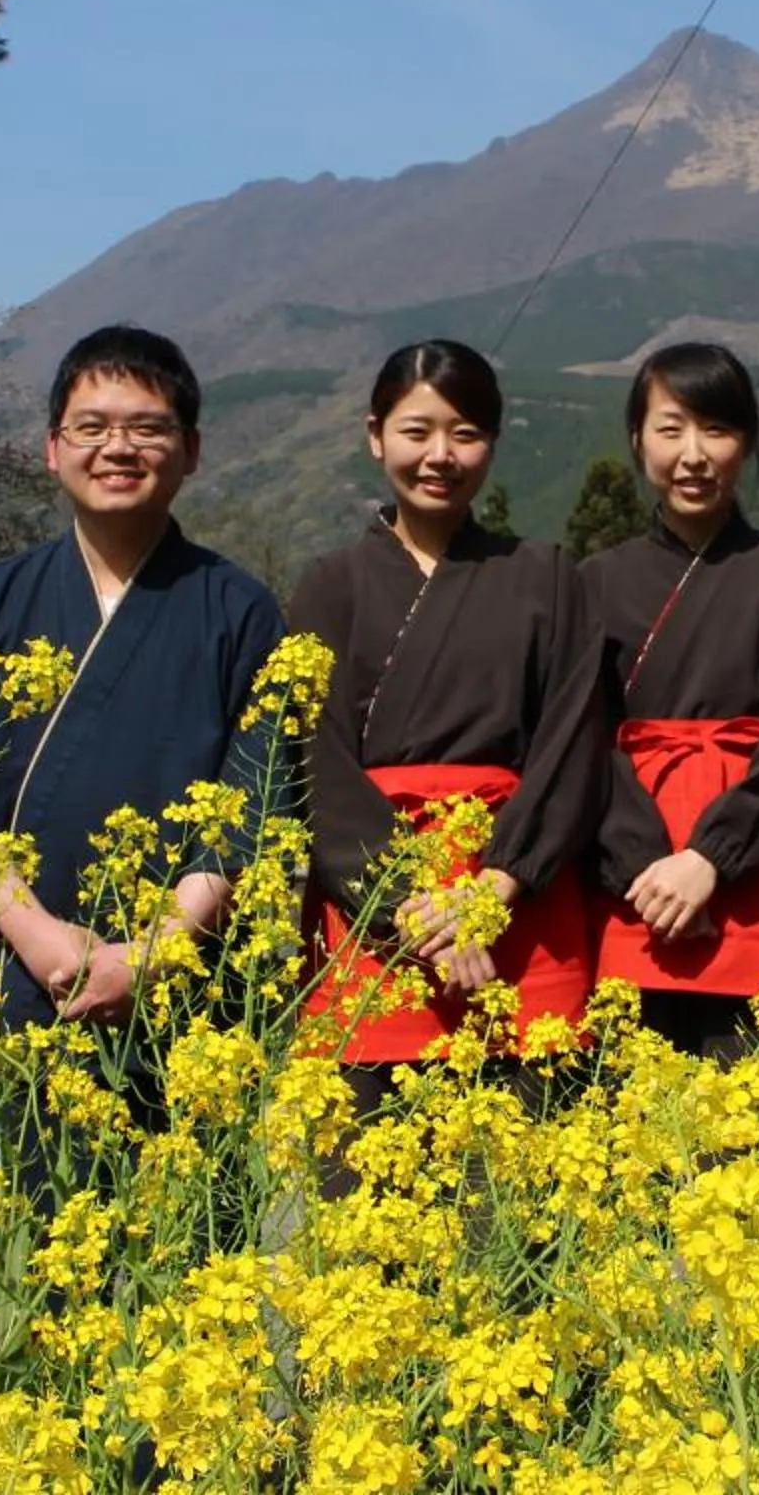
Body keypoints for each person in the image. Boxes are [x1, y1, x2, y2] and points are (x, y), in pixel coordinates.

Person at [0, 325, 286, 1196]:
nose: (119, 446)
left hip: (193, 994)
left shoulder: (240, 609)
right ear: (52, 449)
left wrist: (150, 955)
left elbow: (256, 802)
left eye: (149, 428)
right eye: (92, 427)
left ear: (190, 451)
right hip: (36, 981)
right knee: (42, 1269)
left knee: (189, 1267)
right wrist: (45, 944)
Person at [286, 341, 608, 1080]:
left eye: (465, 434)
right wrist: (409, 903)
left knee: (521, 1179)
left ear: (493, 442)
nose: (440, 455)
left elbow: (574, 741)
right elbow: (317, 765)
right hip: (375, 910)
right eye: (416, 431)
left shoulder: (547, 576)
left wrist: (495, 888)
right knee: (371, 1171)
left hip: (518, 904)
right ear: (375, 436)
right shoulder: (329, 586)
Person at [585, 342, 759, 1059]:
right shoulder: (593, 583)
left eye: (717, 431)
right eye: (671, 430)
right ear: (637, 439)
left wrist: (711, 859)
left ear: (748, 442)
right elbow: (579, 740)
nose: (693, 455)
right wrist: (645, 870)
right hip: (633, 885)